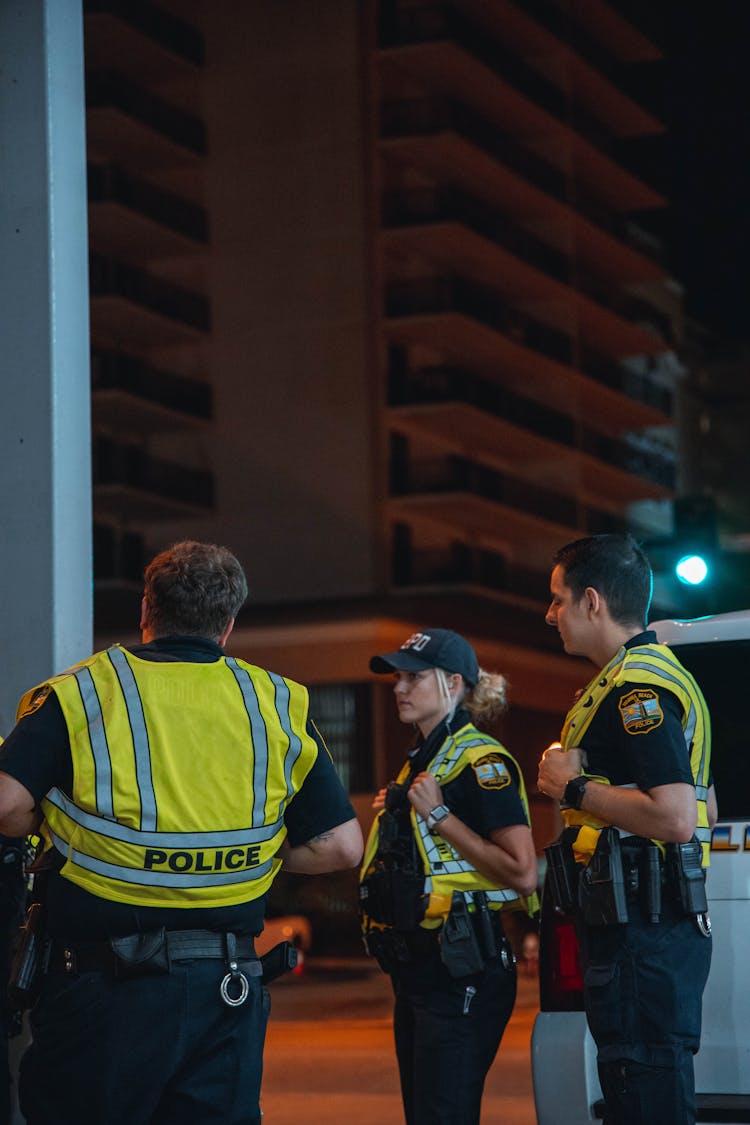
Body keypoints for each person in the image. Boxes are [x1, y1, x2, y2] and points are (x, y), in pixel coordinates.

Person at [0, 540, 363, 1125]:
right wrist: (254, 856)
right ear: (229, 624)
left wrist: (52, 824)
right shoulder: (273, 702)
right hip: (227, 994)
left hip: (103, 992)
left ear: (147, 609)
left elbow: (6, 806)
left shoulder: (85, 693)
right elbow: (343, 845)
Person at [537, 534, 716, 1125]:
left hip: (642, 929)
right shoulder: (640, 676)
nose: (550, 614)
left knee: (645, 1090)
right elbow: (691, 809)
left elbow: (675, 817)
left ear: (592, 602)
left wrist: (574, 788)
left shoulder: (635, 688)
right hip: (644, 926)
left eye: (558, 599)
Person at [360, 628, 538, 1125]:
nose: (399, 688)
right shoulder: (423, 760)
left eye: (414, 677)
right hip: (422, 969)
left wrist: (439, 816)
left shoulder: (481, 761)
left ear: (453, 683)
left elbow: (523, 873)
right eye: (397, 677)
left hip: (464, 967)